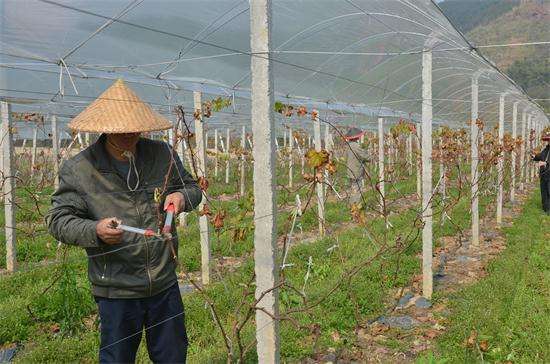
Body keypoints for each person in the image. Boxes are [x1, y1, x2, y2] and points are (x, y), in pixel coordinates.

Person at [46, 79, 202, 363]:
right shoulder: (80, 169)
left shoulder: (161, 154)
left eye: (135, 128)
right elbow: (59, 219)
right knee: (117, 359)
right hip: (116, 288)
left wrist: (180, 198)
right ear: (106, 129)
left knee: (173, 355)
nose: (131, 134)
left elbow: (191, 187)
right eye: (122, 130)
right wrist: (95, 230)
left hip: (164, 281)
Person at [344, 127, 369, 205]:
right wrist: (370, 157)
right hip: (356, 171)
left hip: (350, 170)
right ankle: (355, 207)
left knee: (353, 189)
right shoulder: (356, 146)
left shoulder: (348, 146)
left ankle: (352, 205)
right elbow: (364, 156)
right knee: (357, 190)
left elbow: (346, 156)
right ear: (356, 137)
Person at [533, 131, 550, 215]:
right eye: (548, 140)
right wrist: (535, 156)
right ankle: (546, 209)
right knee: (544, 192)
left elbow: (546, 160)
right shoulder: (547, 148)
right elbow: (542, 156)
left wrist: (546, 163)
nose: (549, 142)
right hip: (544, 174)